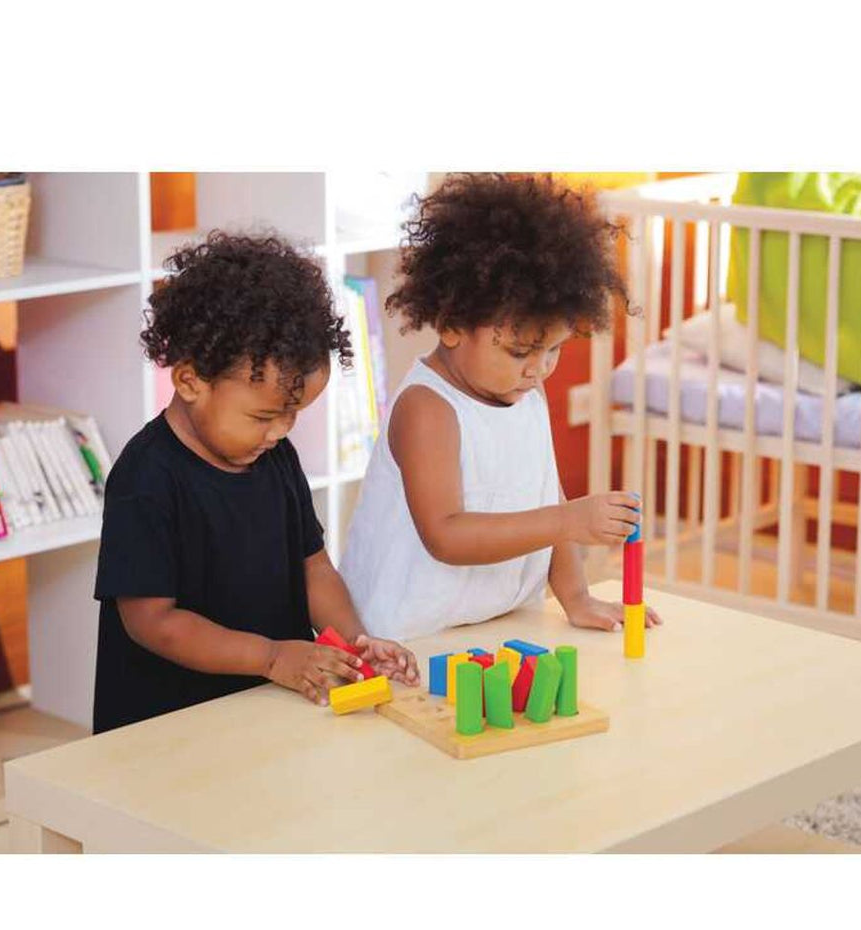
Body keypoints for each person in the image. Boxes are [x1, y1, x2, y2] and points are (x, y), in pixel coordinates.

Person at [93, 232, 418, 733]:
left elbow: (314, 569)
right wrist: (270, 657)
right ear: (190, 381)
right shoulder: (146, 479)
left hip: (267, 708)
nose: (281, 431)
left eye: (293, 414)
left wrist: (355, 643)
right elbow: (152, 622)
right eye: (264, 415)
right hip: (168, 727)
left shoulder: (275, 458)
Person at [341, 174, 662, 640]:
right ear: (451, 326)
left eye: (553, 349)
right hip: (406, 637)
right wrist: (569, 521)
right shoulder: (428, 409)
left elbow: (545, 494)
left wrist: (577, 598)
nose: (538, 370)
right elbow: (446, 536)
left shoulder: (525, 392)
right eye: (519, 352)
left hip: (494, 624)